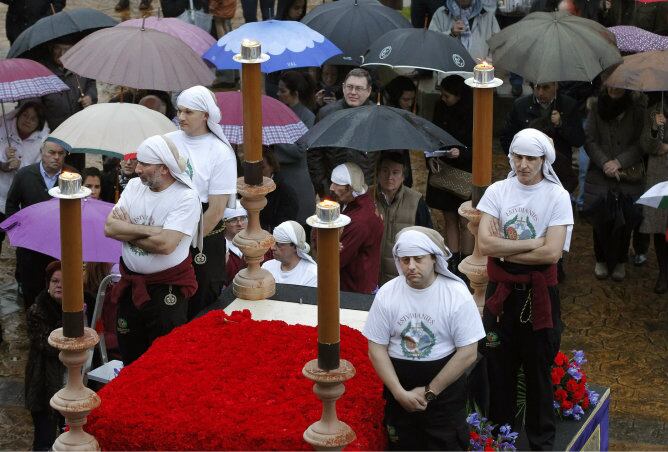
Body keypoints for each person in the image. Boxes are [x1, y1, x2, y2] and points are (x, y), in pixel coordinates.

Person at [477, 129, 573, 450]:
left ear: (543, 161)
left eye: (531, 158)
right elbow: (484, 243)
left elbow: (552, 254)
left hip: (539, 298)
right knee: (499, 371)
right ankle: (501, 440)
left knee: (538, 375)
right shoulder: (497, 191)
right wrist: (532, 242)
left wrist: (505, 248)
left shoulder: (557, 197)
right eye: (518, 157)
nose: (523, 164)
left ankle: (541, 444)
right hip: (501, 296)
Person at [363, 226, 485, 450]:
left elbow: (468, 353)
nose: (410, 266)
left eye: (418, 259)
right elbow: (376, 348)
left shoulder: (456, 295)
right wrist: (400, 393)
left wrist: (430, 392)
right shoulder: (387, 294)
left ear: (433, 258)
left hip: (444, 398)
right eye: (404, 259)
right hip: (400, 392)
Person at [105, 135, 201, 365]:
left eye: (144, 164)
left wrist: (128, 230)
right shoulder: (135, 187)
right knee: (130, 356)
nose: (137, 169)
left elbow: (166, 245)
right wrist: (152, 231)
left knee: (164, 361)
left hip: (165, 291)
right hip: (131, 285)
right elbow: (110, 227)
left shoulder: (186, 197)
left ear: (165, 169)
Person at [166, 85, 237, 319]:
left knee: (200, 305)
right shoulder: (168, 141)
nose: (181, 117)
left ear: (205, 115)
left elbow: (216, 210)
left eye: (188, 112)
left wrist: (182, 243)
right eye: (179, 111)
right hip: (168, 224)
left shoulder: (220, 152)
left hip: (202, 235)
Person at [583, 87, 646, 281]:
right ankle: (600, 258)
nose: (614, 87)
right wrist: (604, 163)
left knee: (628, 216)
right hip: (600, 172)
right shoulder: (595, 107)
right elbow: (590, 139)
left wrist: (619, 162)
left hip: (628, 173)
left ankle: (621, 260)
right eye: (610, 83)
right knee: (600, 215)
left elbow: (641, 142)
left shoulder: (637, 109)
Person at [6, 141, 69, 310]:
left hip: (59, 246)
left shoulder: (71, 176)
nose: (56, 157)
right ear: (42, 152)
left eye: (61, 153)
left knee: (60, 289)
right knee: (31, 288)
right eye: (51, 152)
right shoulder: (25, 175)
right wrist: (18, 232)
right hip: (30, 247)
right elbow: (11, 204)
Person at [500, 81, 584, 194]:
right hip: (527, 173)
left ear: (556, 86)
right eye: (537, 87)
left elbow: (578, 139)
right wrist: (517, 158)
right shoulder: (520, 105)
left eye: (545, 88)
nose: (540, 92)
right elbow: (507, 137)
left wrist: (561, 125)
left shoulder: (569, 105)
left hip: (558, 170)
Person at [429, 75, 474, 266]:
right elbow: (431, 135)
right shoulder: (440, 108)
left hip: (464, 171)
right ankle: (453, 258)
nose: (443, 99)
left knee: (466, 220)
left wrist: (462, 153)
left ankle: (466, 258)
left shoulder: (473, 113)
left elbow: (479, 147)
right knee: (449, 216)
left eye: (447, 96)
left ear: (459, 96)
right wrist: (430, 157)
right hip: (443, 169)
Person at [309, 69, 376, 197]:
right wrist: (322, 186)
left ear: (368, 91)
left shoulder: (377, 117)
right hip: (333, 188)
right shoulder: (326, 114)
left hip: (366, 188)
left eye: (359, 88)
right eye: (350, 87)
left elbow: (384, 155)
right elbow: (314, 152)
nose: (353, 92)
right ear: (343, 88)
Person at [25, 261, 65, 451]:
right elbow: (50, 346)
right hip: (43, 388)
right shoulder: (36, 311)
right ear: (47, 284)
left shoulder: (85, 305)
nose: (59, 285)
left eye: (65, 283)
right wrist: (71, 320)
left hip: (70, 384)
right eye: (54, 281)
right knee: (44, 441)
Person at [375, 152, 433, 285]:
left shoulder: (416, 201)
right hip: (371, 277)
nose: (390, 177)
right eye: (385, 171)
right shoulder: (367, 198)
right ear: (378, 173)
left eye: (395, 172)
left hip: (404, 277)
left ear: (403, 176)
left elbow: (427, 240)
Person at [40, 40, 97, 172]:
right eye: (57, 49)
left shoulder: (80, 68)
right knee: (53, 171)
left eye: (66, 49)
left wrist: (90, 97)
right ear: (51, 49)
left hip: (77, 134)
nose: (62, 54)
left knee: (76, 172)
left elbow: (91, 84)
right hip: (53, 134)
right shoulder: (43, 71)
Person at [0, 102, 49, 250]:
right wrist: (4, 158)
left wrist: (20, 165)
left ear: (38, 124)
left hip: (22, 202)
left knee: (23, 245)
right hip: (0, 195)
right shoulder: (3, 128)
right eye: (25, 115)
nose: (27, 120)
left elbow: (40, 171)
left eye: (33, 119)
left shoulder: (43, 141)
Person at [328, 162, 383, 294]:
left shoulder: (359, 221)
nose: (331, 188)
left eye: (336, 184)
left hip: (355, 291)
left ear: (349, 188)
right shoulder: (354, 204)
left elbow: (335, 261)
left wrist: (320, 235)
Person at [275, 71, 316, 229]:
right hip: (279, 180)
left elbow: (300, 151)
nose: (278, 94)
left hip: (298, 183)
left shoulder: (307, 116)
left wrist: (277, 139)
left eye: (283, 91)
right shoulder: (277, 112)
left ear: (295, 93)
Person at [640, 95, 668, 293]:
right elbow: (647, 146)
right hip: (660, 173)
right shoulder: (655, 110)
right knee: (660, 226)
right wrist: (654, 128)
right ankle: (664, 273)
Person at [429, 0, 499, 63]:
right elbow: (431, 42)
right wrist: (451, 33)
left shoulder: (487, 15)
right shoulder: (441, 13)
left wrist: (487, 63)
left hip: (480, 73)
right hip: (450, 74)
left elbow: (497, 44)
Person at [383, 76, 417, 187]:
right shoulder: (386, 114)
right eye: (406, 100)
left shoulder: (407, 112)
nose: (410, 104)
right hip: (389, 159)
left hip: (402, 158)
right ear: (396, 98)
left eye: (412, 99)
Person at [262, 220, 317, 287]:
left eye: (279, 244)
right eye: (273, 243)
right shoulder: (267, 268)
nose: (272, 248)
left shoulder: (312, 274)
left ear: (295, 247)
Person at [259, 147, 299, 233]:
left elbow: (285, 225)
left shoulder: (285, 192)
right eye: (254, 168)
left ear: (272, 167)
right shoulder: (247, 187)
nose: (257, 172)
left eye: (262, 167)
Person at [223, 200, 249, 286]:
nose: (240, 224)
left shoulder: (255, 242)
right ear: (224, 223)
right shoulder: (221, 246)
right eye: (233, 220)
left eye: (243, 218)